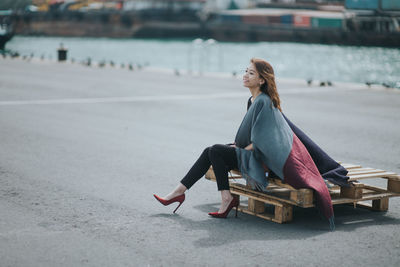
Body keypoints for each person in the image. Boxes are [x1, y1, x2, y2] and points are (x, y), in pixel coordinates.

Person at [154, 58, 337, 228]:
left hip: (266, 160)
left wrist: (239, 149)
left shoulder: (264, 102)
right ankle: (180, 192)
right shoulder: (252, 100)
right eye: (246, 71)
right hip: (254, 153)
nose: (245, 75)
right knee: (210, 150)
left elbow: (265, 142)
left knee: (216, 150)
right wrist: (238, 148)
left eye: (251, 73)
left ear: (262, 80)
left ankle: (222, 199)